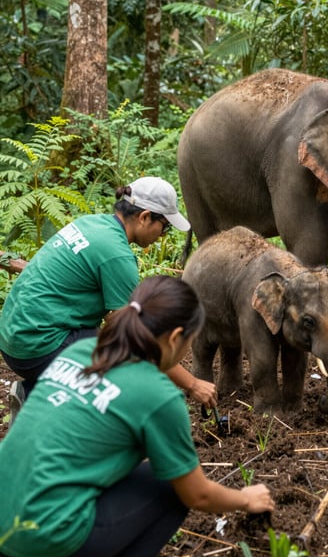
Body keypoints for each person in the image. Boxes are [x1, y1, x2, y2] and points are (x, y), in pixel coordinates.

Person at [0, 276, 275, 557]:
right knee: (170, 486)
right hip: (51, 537)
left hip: (5, 518)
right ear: (175, 338)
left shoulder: (83, 351)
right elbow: (197, 496)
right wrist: (246, 498)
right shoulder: (157, 395)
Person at [0, 176, 217, 424]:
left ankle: (36, 392)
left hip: (12, 337)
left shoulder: (91, 224)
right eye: (165, 226)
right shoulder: (117, 256)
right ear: (145, 217)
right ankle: (45, 404)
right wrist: (192, 384)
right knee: (127, 366)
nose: (163, 235)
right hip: (37, 347)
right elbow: (135, 339)